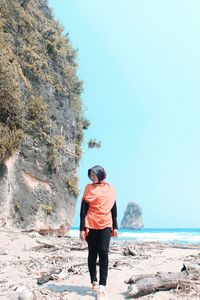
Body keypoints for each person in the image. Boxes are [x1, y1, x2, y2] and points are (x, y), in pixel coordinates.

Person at [79, 165, 118, 300]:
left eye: (94, 175)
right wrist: (82, 228)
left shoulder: (110, 189)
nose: (92, 177)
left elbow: (113, 207)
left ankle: (103, 285)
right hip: (91, 222)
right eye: (90, 175)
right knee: (92, 253)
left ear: (101, 175)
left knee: (104, 251)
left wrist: (116, 226)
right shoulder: (88, 188)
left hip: (106, 223)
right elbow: (83, 209)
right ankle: (93, 280)